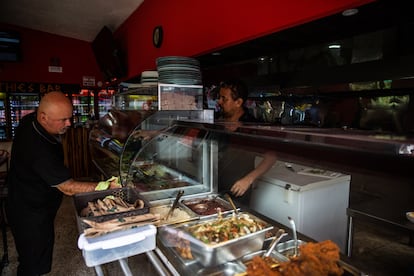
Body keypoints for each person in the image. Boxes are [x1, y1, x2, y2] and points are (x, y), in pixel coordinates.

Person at [5, 91, 119, 276]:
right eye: (63, 120)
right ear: (43, 117)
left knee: (32, 254)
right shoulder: (37, 150)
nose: (69, 124)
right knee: (33, 261)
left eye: (70, 117)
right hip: (30, 210)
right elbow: (68, 187)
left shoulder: (29, 121)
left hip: (29, 197)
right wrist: (107, 187)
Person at [216, 79, 277, 206]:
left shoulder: (251, 127)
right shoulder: (218, 122)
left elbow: (271, 156)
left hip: (238, 189)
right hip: (215, 186)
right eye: (219, 98)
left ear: (238, 102)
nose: (219, 102)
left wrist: (248, 180)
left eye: (224, 98)